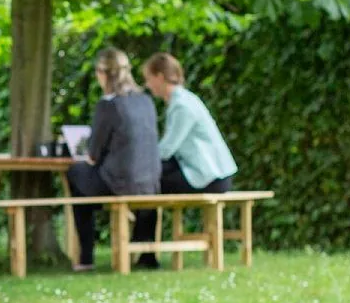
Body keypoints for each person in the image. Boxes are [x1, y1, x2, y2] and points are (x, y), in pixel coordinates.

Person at [134, 52, 239, 267]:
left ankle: (144, 250)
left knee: (147, 183)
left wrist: (138, 158)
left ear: (160, 76)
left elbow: (167, 148)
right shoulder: (184, 99)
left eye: (148, 78)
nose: (147, 84)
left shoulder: (182, 106)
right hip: (206, 172)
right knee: (150, 180)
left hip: (209, 177)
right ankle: (143, 249)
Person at [66, 47, 161, 271]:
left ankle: (86, 256)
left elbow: (92, 154)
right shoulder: (145, 101)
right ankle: (147, 255)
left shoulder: (108, 105)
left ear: (102, 73)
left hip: (119, 183)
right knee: (133, 182)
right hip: (152, 181)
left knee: (75, 173)